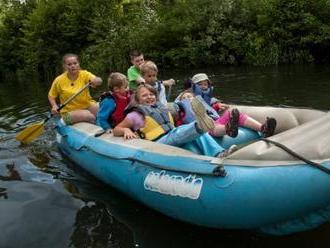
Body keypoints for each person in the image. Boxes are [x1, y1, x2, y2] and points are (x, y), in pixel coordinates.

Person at [113, 84, 229, 157]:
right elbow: (117, 129)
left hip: (172, 140)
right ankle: (200, 125)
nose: (149, 97)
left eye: (151, 94)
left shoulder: (162, 109)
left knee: (195, 135)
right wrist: (125, 131)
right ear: (138, 100)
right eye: (144, 96)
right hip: (156, 145)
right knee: (180, 131)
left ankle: (219, 153)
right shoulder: (136, 114)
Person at [190, 73, 277, 138]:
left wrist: (217, 106)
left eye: (205, 84)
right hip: (204, 127)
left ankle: (263, 129)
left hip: (215, 121)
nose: (203, 87)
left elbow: (209, 106)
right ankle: (228, 129)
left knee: (233, 113)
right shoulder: (187, 99)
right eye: (200, 84)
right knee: (212, 126)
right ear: (194, 87)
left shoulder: (209, 99)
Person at [48, 53, 102, 125]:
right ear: (64, 66)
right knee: (89, 116)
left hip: (87, 105)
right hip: (68, 112)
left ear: (78, 64)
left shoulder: (85, 74)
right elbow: (51, 95)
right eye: (69, 64)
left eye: (75, 63)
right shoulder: (59, 80)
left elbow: (99, 80)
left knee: (104, 110)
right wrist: (54, 106)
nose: (73, 66)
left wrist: (96, 81)